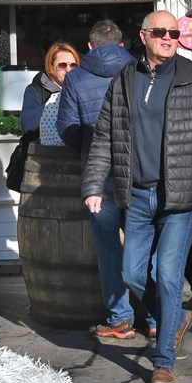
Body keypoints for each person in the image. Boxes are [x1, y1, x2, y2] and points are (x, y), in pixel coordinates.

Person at [82, 10, 192, 383]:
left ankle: (163, 359)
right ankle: (176, 319)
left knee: (168, 277)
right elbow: (104, 138)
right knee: (133, 274)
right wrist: (93, 186)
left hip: (179, 198)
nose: (168, 38)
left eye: (174, 33)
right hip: (136, 196)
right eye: (160, 32)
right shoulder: (124, 80)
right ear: (143, 36)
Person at [55, 21, 146, 339]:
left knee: (108, 247)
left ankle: (121, 317)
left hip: (99, 174)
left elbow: (67, 128)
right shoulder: (141, 70)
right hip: (139, 172)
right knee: (144, 243)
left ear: (90, 47)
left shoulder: (75, 78)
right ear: (121, 45)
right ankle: (154, 316)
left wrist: (88, 148)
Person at [21, 42, 79, 146]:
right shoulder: (35, 89)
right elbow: (28, 126)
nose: (68, 70)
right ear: (51, 67)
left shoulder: (83, 90)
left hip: (76, 152)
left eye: (73, 65)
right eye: (62, 65)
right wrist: (56, 102)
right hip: (44, 152)